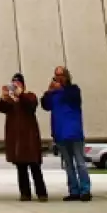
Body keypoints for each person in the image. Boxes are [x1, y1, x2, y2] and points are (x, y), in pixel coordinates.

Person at [42, 65, 91, 202]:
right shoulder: (54, 94)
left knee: (80, 162)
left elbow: (75, 99)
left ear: (66, 76)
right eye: (56, 76)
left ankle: (85, 189)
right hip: (60, 132)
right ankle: (73, 190)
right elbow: (45, 105)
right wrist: (49, 91)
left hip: (74, 132)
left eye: (61, 75)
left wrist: (61, 89)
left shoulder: (73, 90)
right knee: (68, 164)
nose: (58, 78)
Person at [0, 73, 46, 201]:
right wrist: (4, 97)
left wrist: (21, 94)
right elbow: (1, 108)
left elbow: (31, 106)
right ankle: (25, 193)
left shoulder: (30, 96)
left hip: (29, 138)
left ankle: (41, 193)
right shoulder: (11, 100)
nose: (15, 85)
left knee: (35, 167)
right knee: (21, 167)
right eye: (13, 83)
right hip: (16, 139)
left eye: (18, 83)